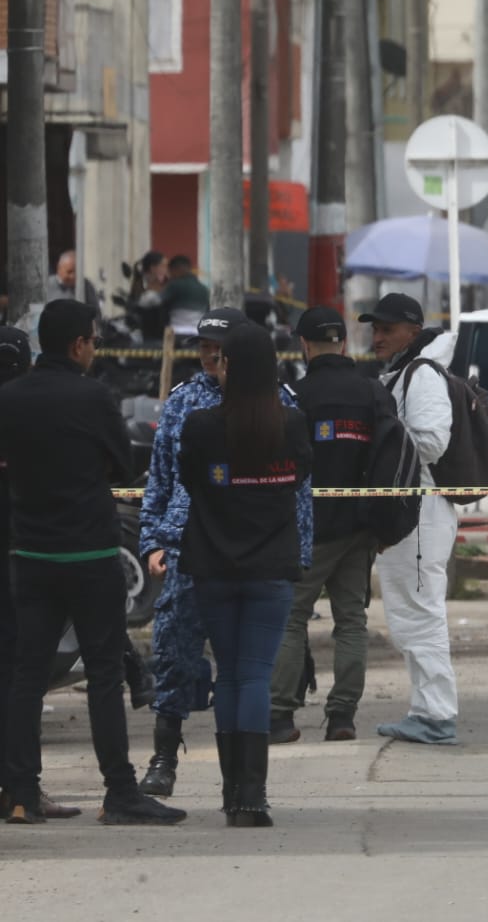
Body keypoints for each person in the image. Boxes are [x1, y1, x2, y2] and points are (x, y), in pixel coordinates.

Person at [0, 299, 185, 825]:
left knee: (26, 675)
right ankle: (120, 793)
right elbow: (122, 463)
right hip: (90, 552)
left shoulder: (9, 398)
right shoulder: (93, 395)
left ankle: (20, 792)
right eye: (94, 341)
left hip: (30, 554)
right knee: (104, 674)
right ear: (80, 343)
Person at [139, 307, 287, 797]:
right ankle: (165, 754)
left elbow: (296, 491)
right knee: (174, 651)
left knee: (243, 666)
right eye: (202, 346)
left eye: (218, 349)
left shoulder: (278, 402)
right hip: (186, 546)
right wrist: (154, 542)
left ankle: (244, 780)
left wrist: (296, 555)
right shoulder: (183, 402)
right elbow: (159, 480)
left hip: (252, 546)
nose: (209, 356)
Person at [174, 324, 313, 827]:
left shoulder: (201, 426)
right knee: (254, 674)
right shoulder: (293, 426)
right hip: (270, 567)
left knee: (229, 673)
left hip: (214, 565)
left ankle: (233, 792)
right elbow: (298, 476)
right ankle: (251, 797)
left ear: (231, 367)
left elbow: (190, 480)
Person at [269, 307, 393, 743]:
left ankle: (281, 716)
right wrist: (380, 522)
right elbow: (390, 458)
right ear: (343, 343)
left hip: (307, 531)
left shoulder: (293, 396)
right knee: (351, 620)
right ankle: (342, 716)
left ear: (303, 345)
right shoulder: (373, 393)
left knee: (291, 618)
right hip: (360, 527)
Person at [362, 293, 460, 745]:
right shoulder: (403, 374)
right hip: (412, 510)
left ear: (412, 332)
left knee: (420, 614)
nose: (377, 336)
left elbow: (432, 441)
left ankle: (438, 715)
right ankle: (426, 711)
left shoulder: (421, 376)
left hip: (419, 512)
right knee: (411, 615)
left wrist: (382, 435)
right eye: (374, 328)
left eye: (387, 329)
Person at [0, 327, 82, 821]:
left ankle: (20, 790)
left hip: (22, 562)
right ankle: (22, 790)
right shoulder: (34, 414)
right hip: (27, 563)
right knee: (22, 680)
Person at [161, 255, 211, 334]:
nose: (170, 275)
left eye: (170, 271)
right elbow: (207, 312)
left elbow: (159, 302)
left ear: (176, 269)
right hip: (197, 332)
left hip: (176, 331)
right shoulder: (204, 289)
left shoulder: (174, 285)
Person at [45, 249, 102, 320]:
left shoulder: (86, 285)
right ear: (59, 268)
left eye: (76, 272)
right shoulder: (47, 285)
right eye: (69, 272)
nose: (73, 276)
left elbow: (95, 313)